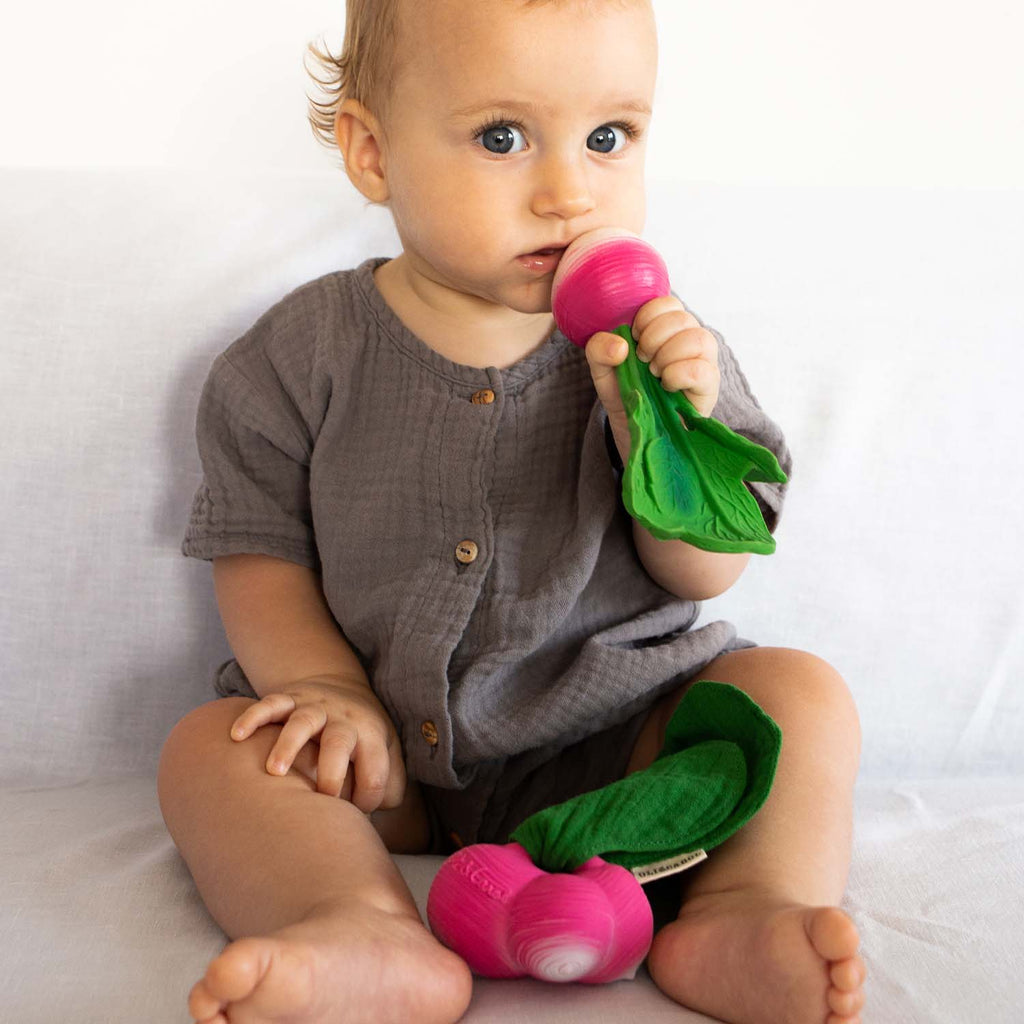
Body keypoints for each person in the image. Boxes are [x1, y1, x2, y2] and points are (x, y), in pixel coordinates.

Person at [157, 1, 866, 1022]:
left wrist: (645, 422)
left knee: (796, 693)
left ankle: (743, 908)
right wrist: (323, 689)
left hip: (613, 740)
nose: (568, 191)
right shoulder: (292, 359)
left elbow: (704, 572)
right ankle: (354, 921)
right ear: (371, 151)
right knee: (210, 747)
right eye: (502, 137)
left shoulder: (671, 358)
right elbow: (258, 553)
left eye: (608, 137)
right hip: (385, 764)